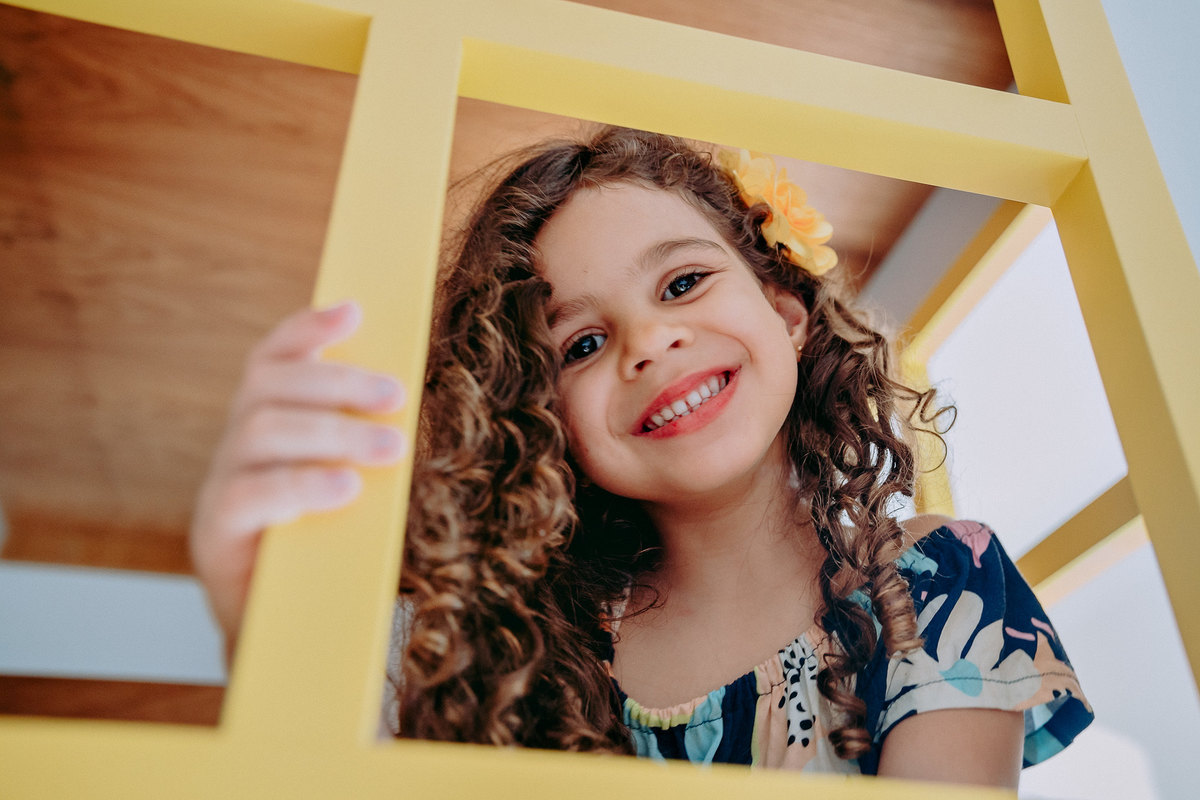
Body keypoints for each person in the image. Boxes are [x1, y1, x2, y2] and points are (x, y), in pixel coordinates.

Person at [190, 127, 1092, 785]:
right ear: (545, 423)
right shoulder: (504, 651)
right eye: (580, 344)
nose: (649, 342)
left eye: (684, 282)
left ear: (784, 310)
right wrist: (254, 620)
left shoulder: (939, 583)